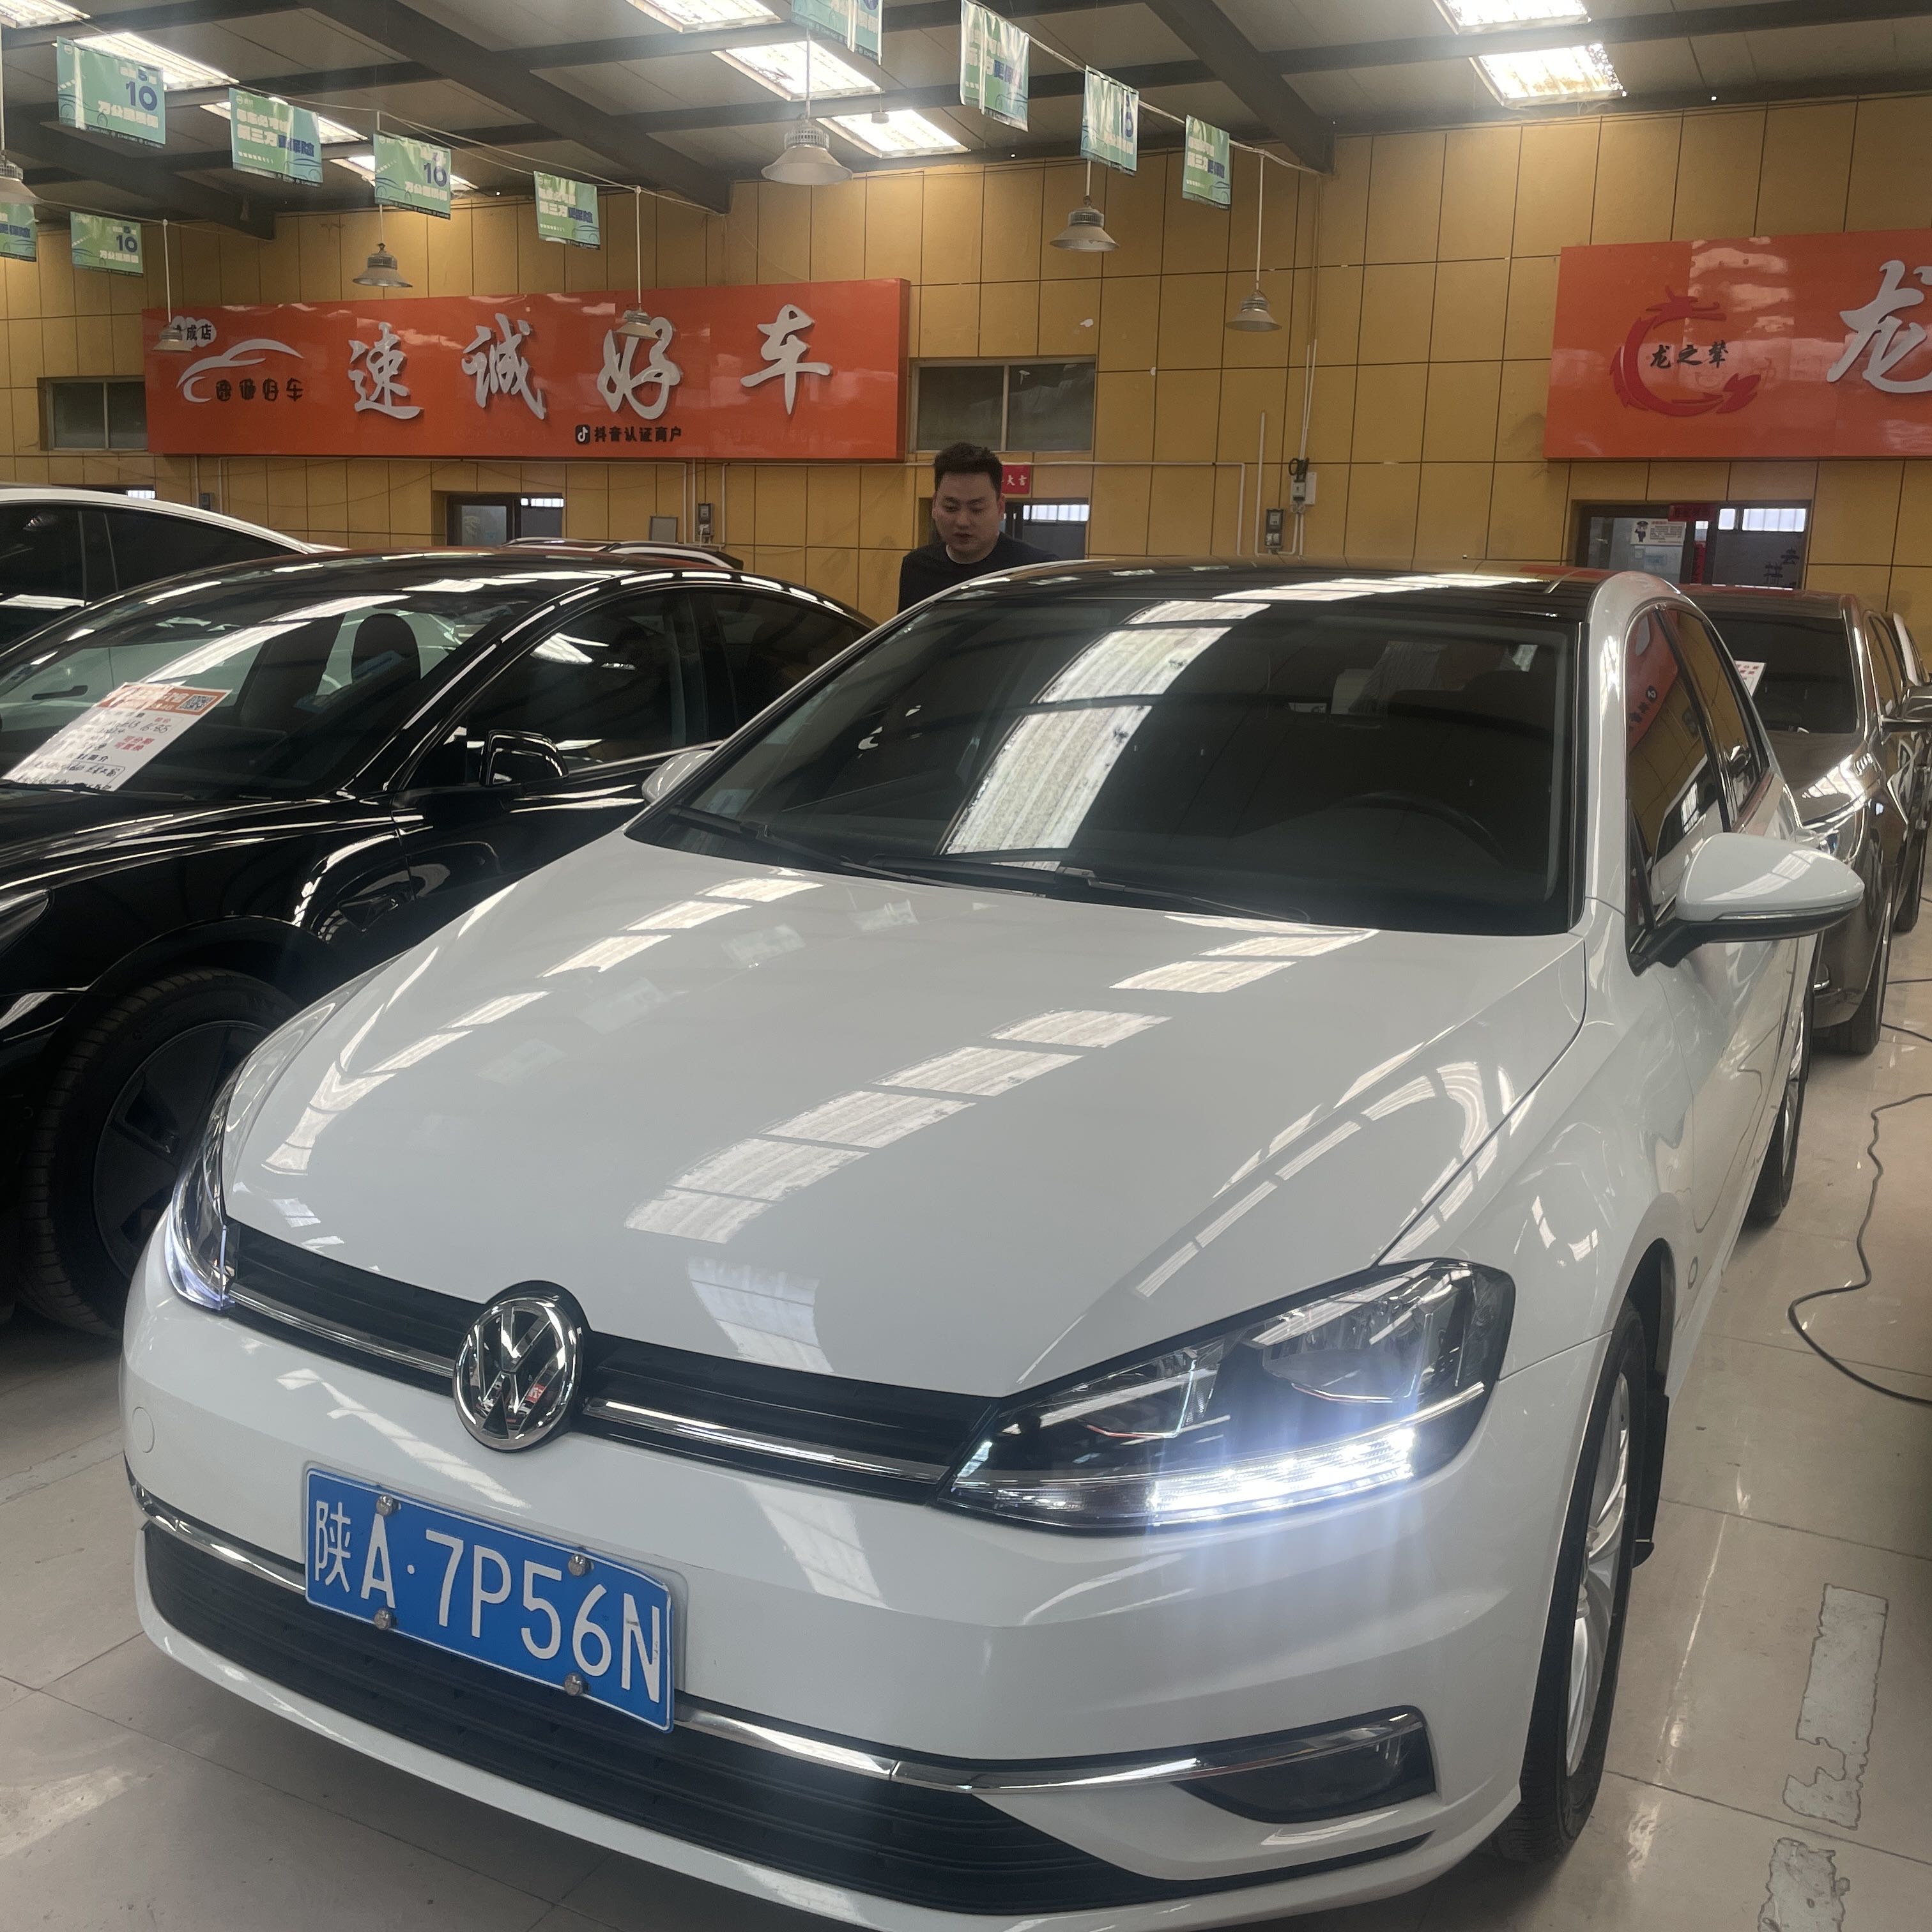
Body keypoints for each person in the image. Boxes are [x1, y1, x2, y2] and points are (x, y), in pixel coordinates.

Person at [897, 442, 1055, 611]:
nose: (962, 522)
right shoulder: (917, 567)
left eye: (977, 509)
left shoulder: (1035, 570)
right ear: (935, 505)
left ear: (1000, 508)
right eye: (951, 508)